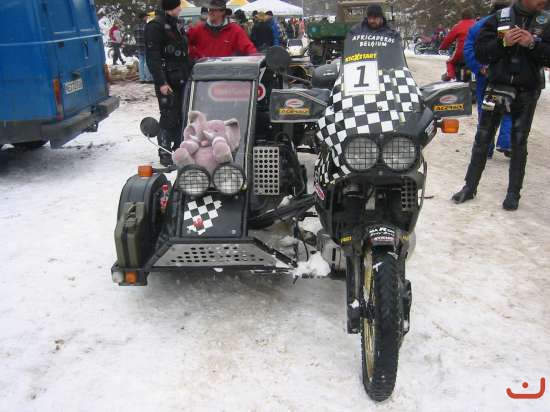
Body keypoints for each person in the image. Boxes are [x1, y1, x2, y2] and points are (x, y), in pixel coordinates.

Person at [452, 0, 550, 210]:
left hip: (527, 91)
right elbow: (480, 52)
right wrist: (503, 43)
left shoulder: (546, 20)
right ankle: (469, 187)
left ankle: (513, 194)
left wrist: (532, 45)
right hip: (496, 87)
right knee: (482, 137)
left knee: (519, 141)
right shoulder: (498, 18)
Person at [145, 0, 192, 166]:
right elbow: (153, 57)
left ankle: (179, 147)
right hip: (167, 79)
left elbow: (183, 52)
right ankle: (164, 151)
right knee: (168, 115)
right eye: (177, 6)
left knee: (182, 113)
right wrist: (162, 82)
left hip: (182, 76)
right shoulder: (155, 26)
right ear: (170, 7)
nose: (180, 8)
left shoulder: (176, 24)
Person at [463, 0, 512, 158]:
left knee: (487, 109)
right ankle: (506, 142)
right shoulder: (513, 24)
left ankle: (485, 146)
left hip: (486, 76)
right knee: (508, 107)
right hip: (507, 76)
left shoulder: (479, 25)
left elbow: (468, 49)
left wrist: (479, 67)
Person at [187, 0, 257, 60]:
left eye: (214, 10)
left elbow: (248, 47)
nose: (210, 12)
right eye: (210, 10)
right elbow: (184, 43)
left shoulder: (235, 29)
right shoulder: (198, 29)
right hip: (203, 69)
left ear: (223, 12)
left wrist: (255, 58)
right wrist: (196, 54)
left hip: (226, 69)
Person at [439, 10, 476, 80]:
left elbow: (448, 39)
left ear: (462, 17)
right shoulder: (477, 25)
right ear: (472, 17)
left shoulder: (458, 26)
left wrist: (442, 47)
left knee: (450, 62)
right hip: (475, 51)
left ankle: (450, 75)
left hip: (461, 52)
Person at [134, 12, 153, 83]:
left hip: (139, 46)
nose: (147, 18)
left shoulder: (136, 26)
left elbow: (135, 36)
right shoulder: (146, 26)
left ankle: (142, 78)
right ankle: (148, 78)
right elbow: (149, 36)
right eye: (146, 17)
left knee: (141, 62)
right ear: (143, 17)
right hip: (146, 46)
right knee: (147, 62)